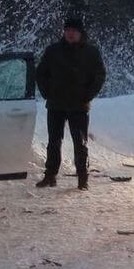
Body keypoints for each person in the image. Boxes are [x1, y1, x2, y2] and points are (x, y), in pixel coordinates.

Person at [35, 17, 107, 190]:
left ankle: (83, 178)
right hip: (56, 104)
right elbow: (40, 73)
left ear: (80, 33)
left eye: (74, 31)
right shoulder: (53, 51)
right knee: (54, 142)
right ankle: (50, 175)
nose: (70, 34)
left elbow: (100, 76)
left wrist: (88, 95)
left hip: (79, 105)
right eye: (67, 30)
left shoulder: (91, 52)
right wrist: (46, 93)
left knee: (80, 143)